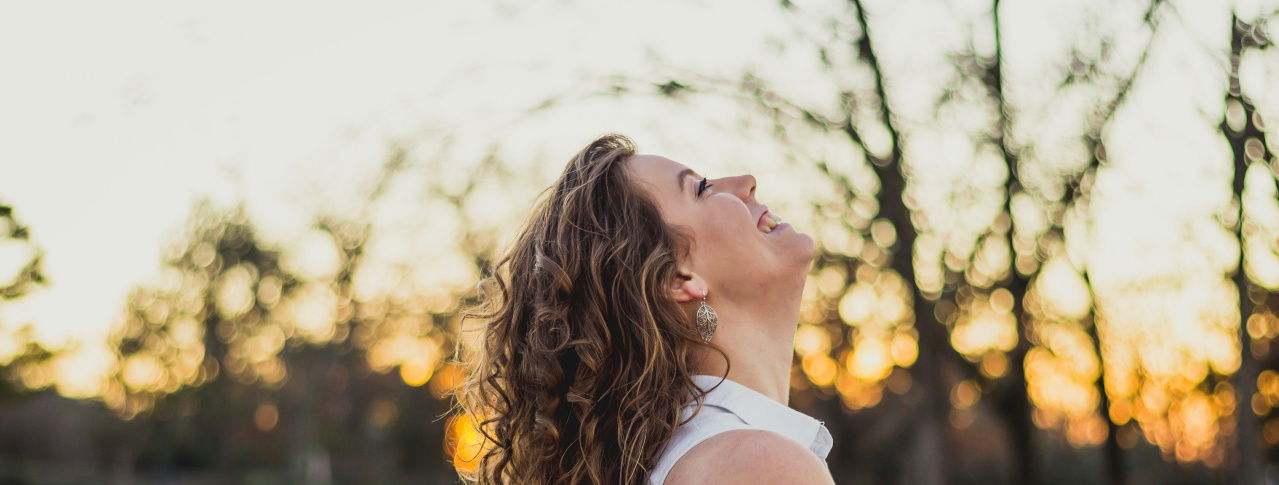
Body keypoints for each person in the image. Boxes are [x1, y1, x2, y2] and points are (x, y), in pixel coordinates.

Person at [451, 133, 835, 484]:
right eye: (702, 189)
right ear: (678, 279)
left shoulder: (699, 459)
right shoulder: (758, 466)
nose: (746, 183)